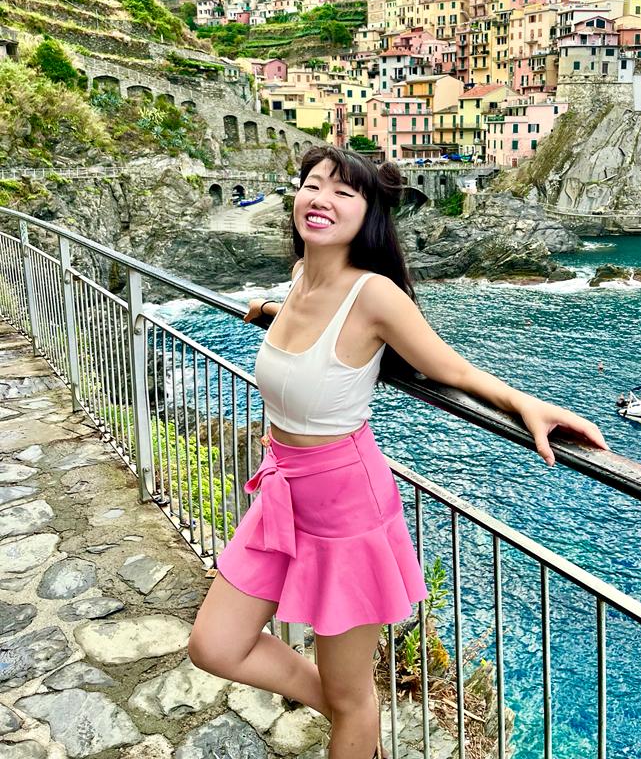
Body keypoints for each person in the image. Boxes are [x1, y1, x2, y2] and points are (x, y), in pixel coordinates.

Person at [188, 145, 608, 759]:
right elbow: (310, 341)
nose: (321, 199)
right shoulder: (302, 279)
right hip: (282, 489)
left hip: (346, 503)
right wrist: (270, 314)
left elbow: (450, 367)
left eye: (343, 191)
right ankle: (348, 715)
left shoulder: (375, 296)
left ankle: (354, 723)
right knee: (215, 645)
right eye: (313, 184)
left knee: (354, 695)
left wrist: (526, 404)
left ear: (369, 215)